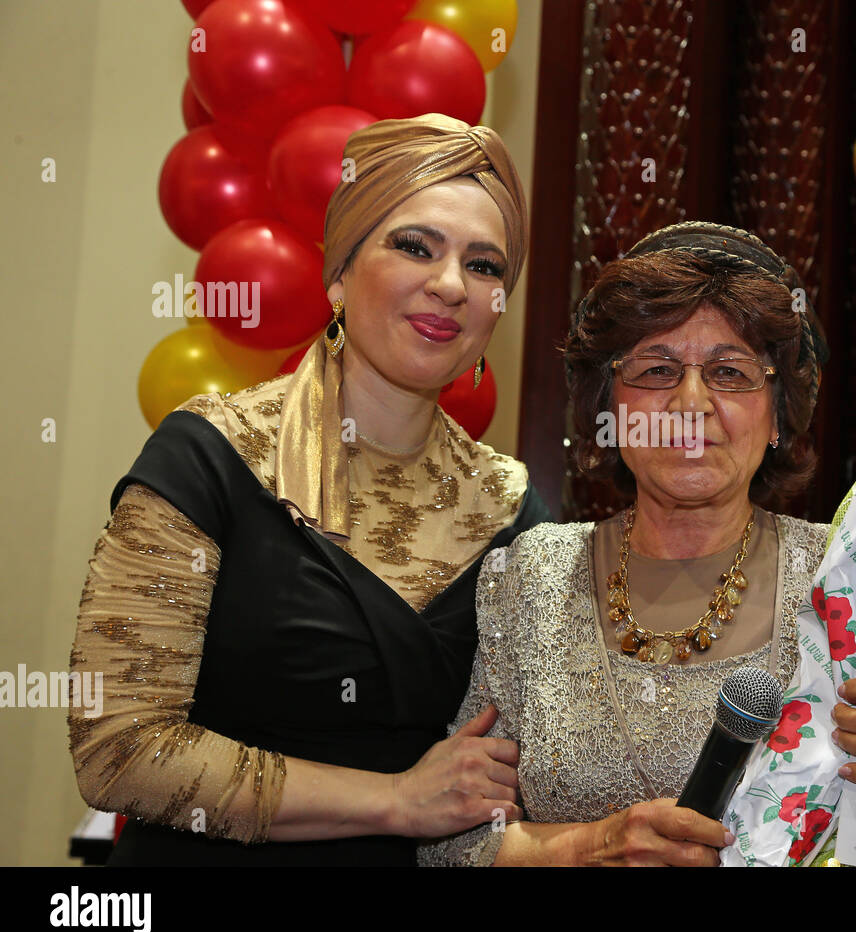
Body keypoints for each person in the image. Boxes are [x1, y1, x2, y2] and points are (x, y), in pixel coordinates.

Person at [418, 222, 856, 866]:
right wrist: (590, 845)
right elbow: (449, 843)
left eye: (730, 372)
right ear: (609, 403)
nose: (692, 402)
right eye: (657, 370)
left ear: (777, 413)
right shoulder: (527, 574)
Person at [68, 114, 550, 865]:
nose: (451, 284)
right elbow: (118, 748)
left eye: (486, 267)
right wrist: (395, 801)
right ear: (337, 273)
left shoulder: (515, 512)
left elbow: (509, 784)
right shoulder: (208, 458)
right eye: (415, 246)